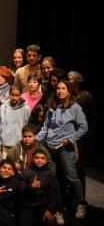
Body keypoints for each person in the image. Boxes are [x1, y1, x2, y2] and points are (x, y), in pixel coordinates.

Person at [36, 79, 88, 219]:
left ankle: (80, 205)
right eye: (58, 88)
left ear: (69, 91)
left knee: (71, 177)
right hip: (50, 148)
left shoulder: (75, 107)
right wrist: (36, 141)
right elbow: (45, 127)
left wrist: (70, 140)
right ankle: (56, 209)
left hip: (65, 149)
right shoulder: (52, 108)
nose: (60, 91)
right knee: (52, 179)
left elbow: (84, 127)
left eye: (63, 88)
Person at [19, 150, 61, 226]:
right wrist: (31, 187)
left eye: (42, 158)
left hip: (44, 206)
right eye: (37, 158)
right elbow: (20, 190)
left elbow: (54, 193)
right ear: (32, 159)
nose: (39, 160)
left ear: (46, 160)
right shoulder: (26, 172)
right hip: (28, 206)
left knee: (48, 221)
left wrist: (50, 209)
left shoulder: (50, 173)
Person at [0, 86, 30, 154]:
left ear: (20, 95)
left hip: (19, 144)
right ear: (9, 94)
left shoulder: (26, 109)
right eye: (12, 95)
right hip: (5, 143)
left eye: (17, 95)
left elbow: (27, 126)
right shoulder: (3, 107)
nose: (14, 97)